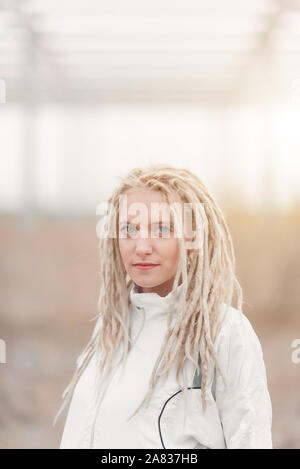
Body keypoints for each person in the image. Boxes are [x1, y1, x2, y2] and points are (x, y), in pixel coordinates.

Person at [54, 164, 273, 449]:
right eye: (130, 229)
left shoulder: (225, 332)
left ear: (192, 238)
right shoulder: (109, 329)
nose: (142, 246)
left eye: (162, 229)